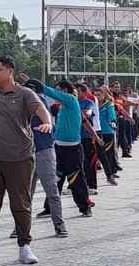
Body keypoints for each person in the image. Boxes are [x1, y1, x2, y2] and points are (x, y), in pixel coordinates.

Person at [0, 56, 51, 265]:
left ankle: (25, 246)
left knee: (21, 204)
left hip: (20, 158)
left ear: (10, 71)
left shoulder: (25, 93)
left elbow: (41, 109)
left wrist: (47, 123)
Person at [31, 79, 94, 218]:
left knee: (76, 179)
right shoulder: (61, 107)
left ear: (65, 90)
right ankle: (49, 208)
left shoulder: (71, 100)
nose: (57, 93)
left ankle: (85, 207)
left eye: (59, 89)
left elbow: (52, 93)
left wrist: (41, 86)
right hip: (59, 148)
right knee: (55, 179)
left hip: (73, 149)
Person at [16, 81, 69, 238]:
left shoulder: (40, 102)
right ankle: (21, 227)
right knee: (25, 194)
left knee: (51, 190)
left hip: (44, 151)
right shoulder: (20, 105)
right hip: (26, 154)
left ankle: (59, 224)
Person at [94, 87, 120, 186]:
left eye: (99, 95)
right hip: (95, 132)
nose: (97, 97)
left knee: (107, 155)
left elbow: (112, 115)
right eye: (95, 95)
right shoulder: (92, 104)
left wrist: (113, 122)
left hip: (107, 132)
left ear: (104, 95)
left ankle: (110, 175)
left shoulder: (108, 105)